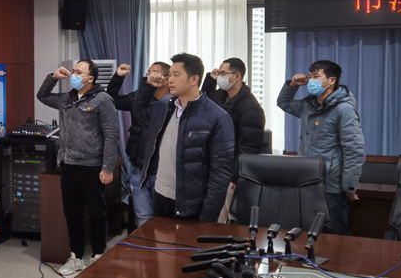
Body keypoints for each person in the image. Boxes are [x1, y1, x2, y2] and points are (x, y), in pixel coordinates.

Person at [37, 59, 119, 276]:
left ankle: (99, 254)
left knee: (96, 212)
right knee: (72, 213)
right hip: (68, 164)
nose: (73, 75)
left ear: (90, 78)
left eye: (78, 72)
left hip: (91, 165)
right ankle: (76, 257)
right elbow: (42, 96)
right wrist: (53, 78)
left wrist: (108, 168)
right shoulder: (67, 98)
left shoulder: (102, 100)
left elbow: (111, 135)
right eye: (73, 71)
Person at [277, 59, 365, 235]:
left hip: (330, 186)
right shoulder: (307, 105)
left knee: (335, 235)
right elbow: (283, 103)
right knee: (306, 233)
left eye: (316, 76)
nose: (311, 80)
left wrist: (349, 186)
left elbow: (354, 149)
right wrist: (292, 85)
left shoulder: (344, 109)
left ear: (331, 80)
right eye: (310, 76)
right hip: (306, 181)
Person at [151, 53, 235, 221]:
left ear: (194, 79)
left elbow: (220, 175)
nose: (170, 80)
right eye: (169, 75)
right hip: (160, 194)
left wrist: (207, 217)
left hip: (191, 203)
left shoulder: (218, 117)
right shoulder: (166, 106)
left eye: (176, 75)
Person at [201, 57, 266, 222]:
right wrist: (210, 79)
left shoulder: (250, 108)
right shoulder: (221, 96)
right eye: (219, 73)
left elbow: (249, 148)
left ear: (237, 76)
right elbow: (203, 102)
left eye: (223, 73)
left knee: (227, 220)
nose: (220, 77)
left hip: (230, 173)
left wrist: (235, 176)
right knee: (211, 218)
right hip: (214, 168)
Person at [106, 61, 170, 227]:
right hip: (137, 166)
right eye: (149, 72)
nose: (151, 75)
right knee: (143, 216)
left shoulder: (175, 101)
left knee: (163, 220)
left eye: (155, 72)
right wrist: (118, 77)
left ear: (167, 78)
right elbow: (112, 99)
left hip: (161, 169)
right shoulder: (139, 96)